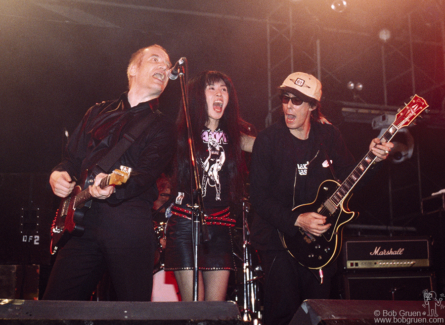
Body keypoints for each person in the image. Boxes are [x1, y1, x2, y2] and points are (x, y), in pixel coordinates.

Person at [249, 72, 393, 324]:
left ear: (313, 106)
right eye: (285, 98)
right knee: (283, 314)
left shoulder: (328, 136)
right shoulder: (268, 140)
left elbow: (350, 181)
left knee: (319, 316)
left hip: (321, 245)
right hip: (278, 242)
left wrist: (374, 161)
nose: (289, 106)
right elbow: (258, 197)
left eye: (298, 101)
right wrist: (296, 220)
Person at [43, 44, 175, 301]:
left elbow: (145, 174)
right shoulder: (96, 112)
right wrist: (57, 175)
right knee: (55, 307)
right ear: (133, 69)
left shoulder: (163, 126)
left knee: (131, 312)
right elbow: (72, 160)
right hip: (81, 222)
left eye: (167, 64)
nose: (164, 66)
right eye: (155, 59)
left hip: (128, 224)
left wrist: (113, 187)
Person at [164, 70, 254, 301]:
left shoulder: (236, 136)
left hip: (221, 225)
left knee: (215, 312)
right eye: (212, 88)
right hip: (186, 223)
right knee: (194, 308)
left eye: (224, 89)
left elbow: (271, 145)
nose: (220, 94)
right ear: (197, 95)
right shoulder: (181, 134)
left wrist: (312, 128)